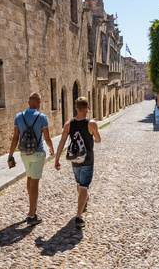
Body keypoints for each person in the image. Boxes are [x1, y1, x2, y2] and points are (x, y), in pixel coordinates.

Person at [8, 92, 54, 226]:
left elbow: (15, 138)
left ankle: (32, 206)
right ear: (39, 102)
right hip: (37, 153)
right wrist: (51, 148)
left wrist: (10, 155)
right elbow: (47, 138)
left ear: (28, 102)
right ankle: (31, 215)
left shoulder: (18, 117)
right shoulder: (42, 117)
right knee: (34, 183)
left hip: (24, 154)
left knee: (29, 178)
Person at [55, 96, 101, 227]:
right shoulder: (91, 123)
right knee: (84, 186)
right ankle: (78, 217)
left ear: (76, 108)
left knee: (79, 183)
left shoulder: (68, 124)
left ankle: (82, 202)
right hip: (87, 160)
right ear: (87, 108)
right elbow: (98, 140)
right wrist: (93, 136)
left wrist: (57, 159)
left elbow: (62, 141)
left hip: (75, 160)